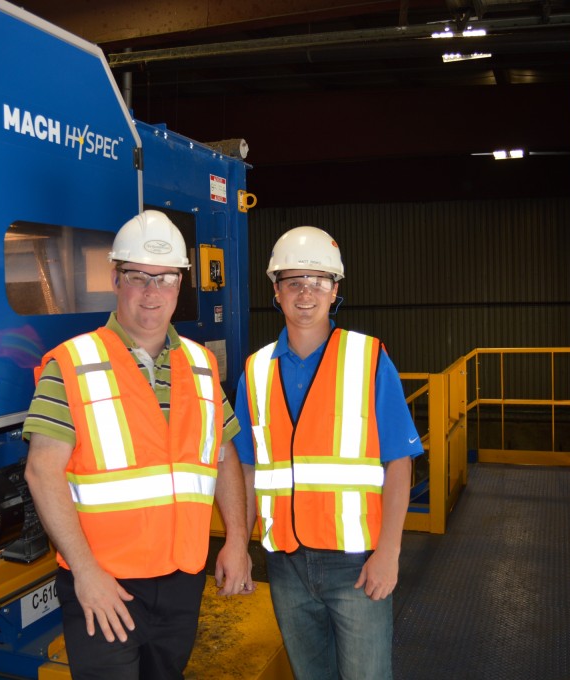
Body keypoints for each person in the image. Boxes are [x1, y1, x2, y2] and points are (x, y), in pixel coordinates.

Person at [23, 210, 253, 680]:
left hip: (182, 579)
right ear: (115, 278)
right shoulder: (70, 363)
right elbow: (41, 472)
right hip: (106, 583)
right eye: (138, 277)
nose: (152, 293)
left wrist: (236, 540)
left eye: (165, 279)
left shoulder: (202, 364)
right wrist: (86, 573)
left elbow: (224, 457)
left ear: (180, 285)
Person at [233, 225, 424, 680]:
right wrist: (239, 544)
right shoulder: (255, 371)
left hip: (357, 565)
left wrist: (390, 553)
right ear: (275, 290)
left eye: (318, 281)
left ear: (335, 289)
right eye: (293, 281)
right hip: (285, 565)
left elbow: (400, 461)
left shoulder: (370, 359)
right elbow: (246, 466)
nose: (305, 293)